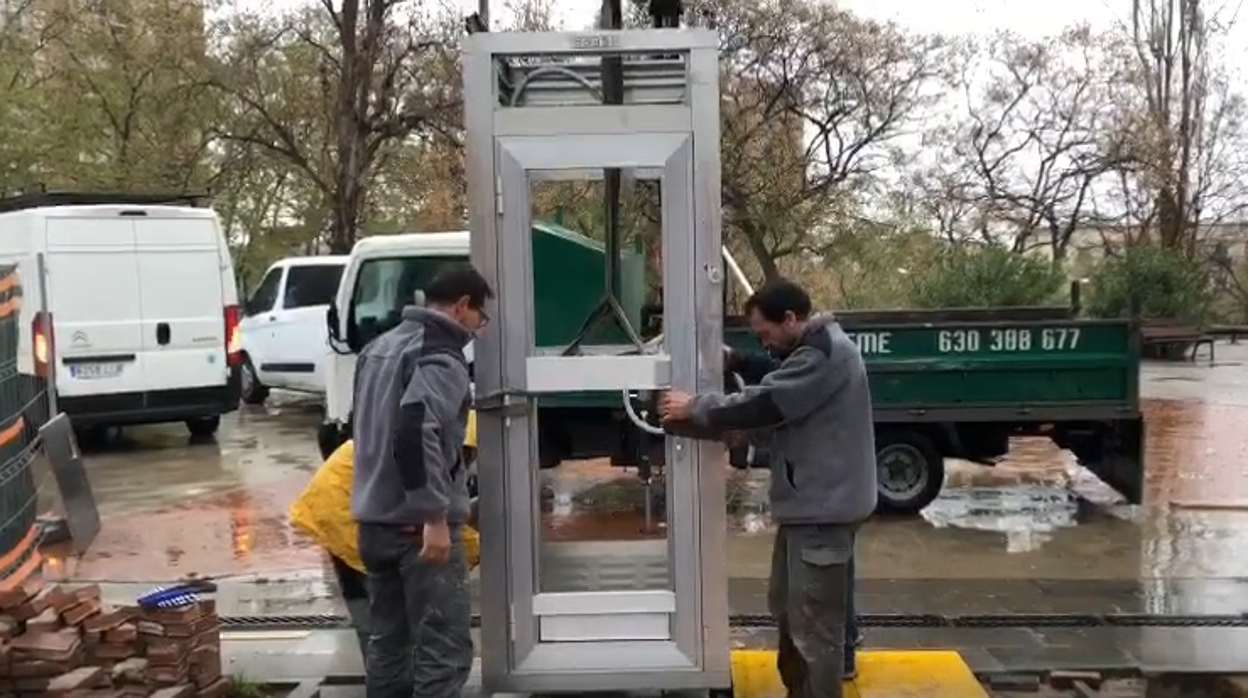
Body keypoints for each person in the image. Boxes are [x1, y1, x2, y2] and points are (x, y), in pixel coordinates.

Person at [659, 278, 877, 698]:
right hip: (811, 508)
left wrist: (694, 406)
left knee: (813, 628)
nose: (765, 343)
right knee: (791, 610)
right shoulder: (815, 351)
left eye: (766, 333)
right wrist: (696, 427)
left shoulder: (822, 355)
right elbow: (774, 414)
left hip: (823, 510)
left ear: (790, 319)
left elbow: (768, 403)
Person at [350, 264, 493, 698]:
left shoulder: (378, 349)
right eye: (480, 319)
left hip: (374, 522)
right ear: (462, 305)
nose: (478, 329)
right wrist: (432, 515)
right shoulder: (440, 355)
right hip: (418, 530)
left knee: (390, 645)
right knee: (443, 649)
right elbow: (415, 429)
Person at [287, 411, 483, 662]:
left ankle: (382, 669)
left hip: (345, 498)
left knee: (373, 601)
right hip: (344, 504)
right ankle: (385, 668)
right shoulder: (451, 443)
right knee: (378, 606)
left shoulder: (449, 424)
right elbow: (432, 511)